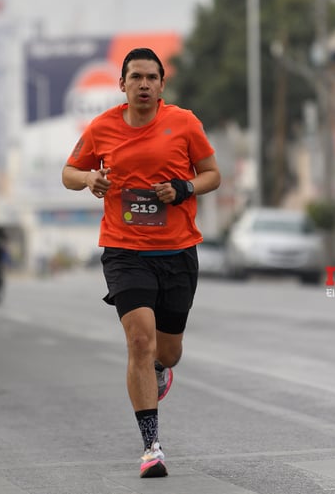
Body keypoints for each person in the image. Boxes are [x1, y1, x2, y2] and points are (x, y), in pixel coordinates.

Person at [61, 47, 221, 478]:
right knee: (139, 340)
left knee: (167, 351)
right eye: (136, 77)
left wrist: (184, 188)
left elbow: (212, 174)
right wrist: (90, 177)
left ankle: (158, 370)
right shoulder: (102, 127)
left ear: (162, 84)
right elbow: (69, 173)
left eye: (152, 77)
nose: (144, 84)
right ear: (123, 84)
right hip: (124, 250)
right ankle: (151, 446)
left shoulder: (184, 123)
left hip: (177, 252)